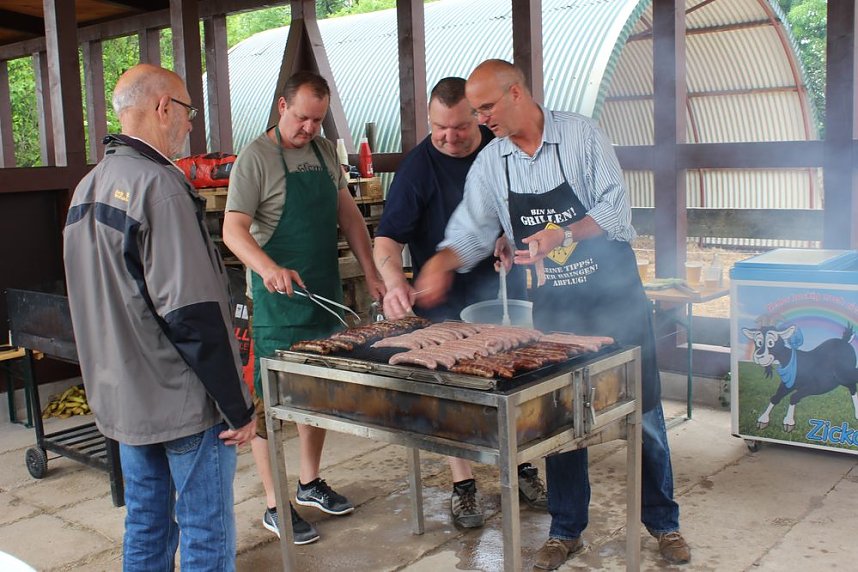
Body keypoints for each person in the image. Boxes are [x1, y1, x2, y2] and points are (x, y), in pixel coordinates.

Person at [415, 60, 692, 569]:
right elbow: (472, 231)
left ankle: (664, 523)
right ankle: (566, 530)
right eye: (475, 112)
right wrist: (440, 261)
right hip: (556, 309)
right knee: (561, 420)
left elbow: (615, 211)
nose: (481, 121)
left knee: (645, 413)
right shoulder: (492, 162)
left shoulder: (581, 137)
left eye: (486, 109)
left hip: (616, 301)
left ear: (516, 93)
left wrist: (561, 234)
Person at [63, 64, 256, 571]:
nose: (191, 124)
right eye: (188, 111)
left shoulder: (86, 190)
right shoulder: (160, 187)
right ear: (163, 107)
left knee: (146, 529)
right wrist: (237, 406)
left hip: (124, 400)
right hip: (182, 401)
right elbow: (191, 313)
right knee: (205, 535)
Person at [373, 77, 547, 529]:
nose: (449, 137)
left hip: (502, 288)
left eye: (460, 128)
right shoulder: (417, 167)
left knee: (515, 379)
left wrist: (511, 234)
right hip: (442, 300)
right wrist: (394, 281)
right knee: (451, 395)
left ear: (478, 117)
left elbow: (526, 207)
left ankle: (523, 465)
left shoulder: (502, 148)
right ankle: (463, 485)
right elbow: (388, 238)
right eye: (438, 128)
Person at [223, 70, 385, 544]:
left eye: (317, 120)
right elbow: (234, 230)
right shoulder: (254, 159)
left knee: (318, 395)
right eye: (301, 118)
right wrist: (268, 267)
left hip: (323, 295)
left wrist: (371, 270)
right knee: (269, 409)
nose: (309, 128)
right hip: (275, 307)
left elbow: (349, 215)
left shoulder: (323, 150)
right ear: (281, 106)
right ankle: (277, 506)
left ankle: (310, 482)